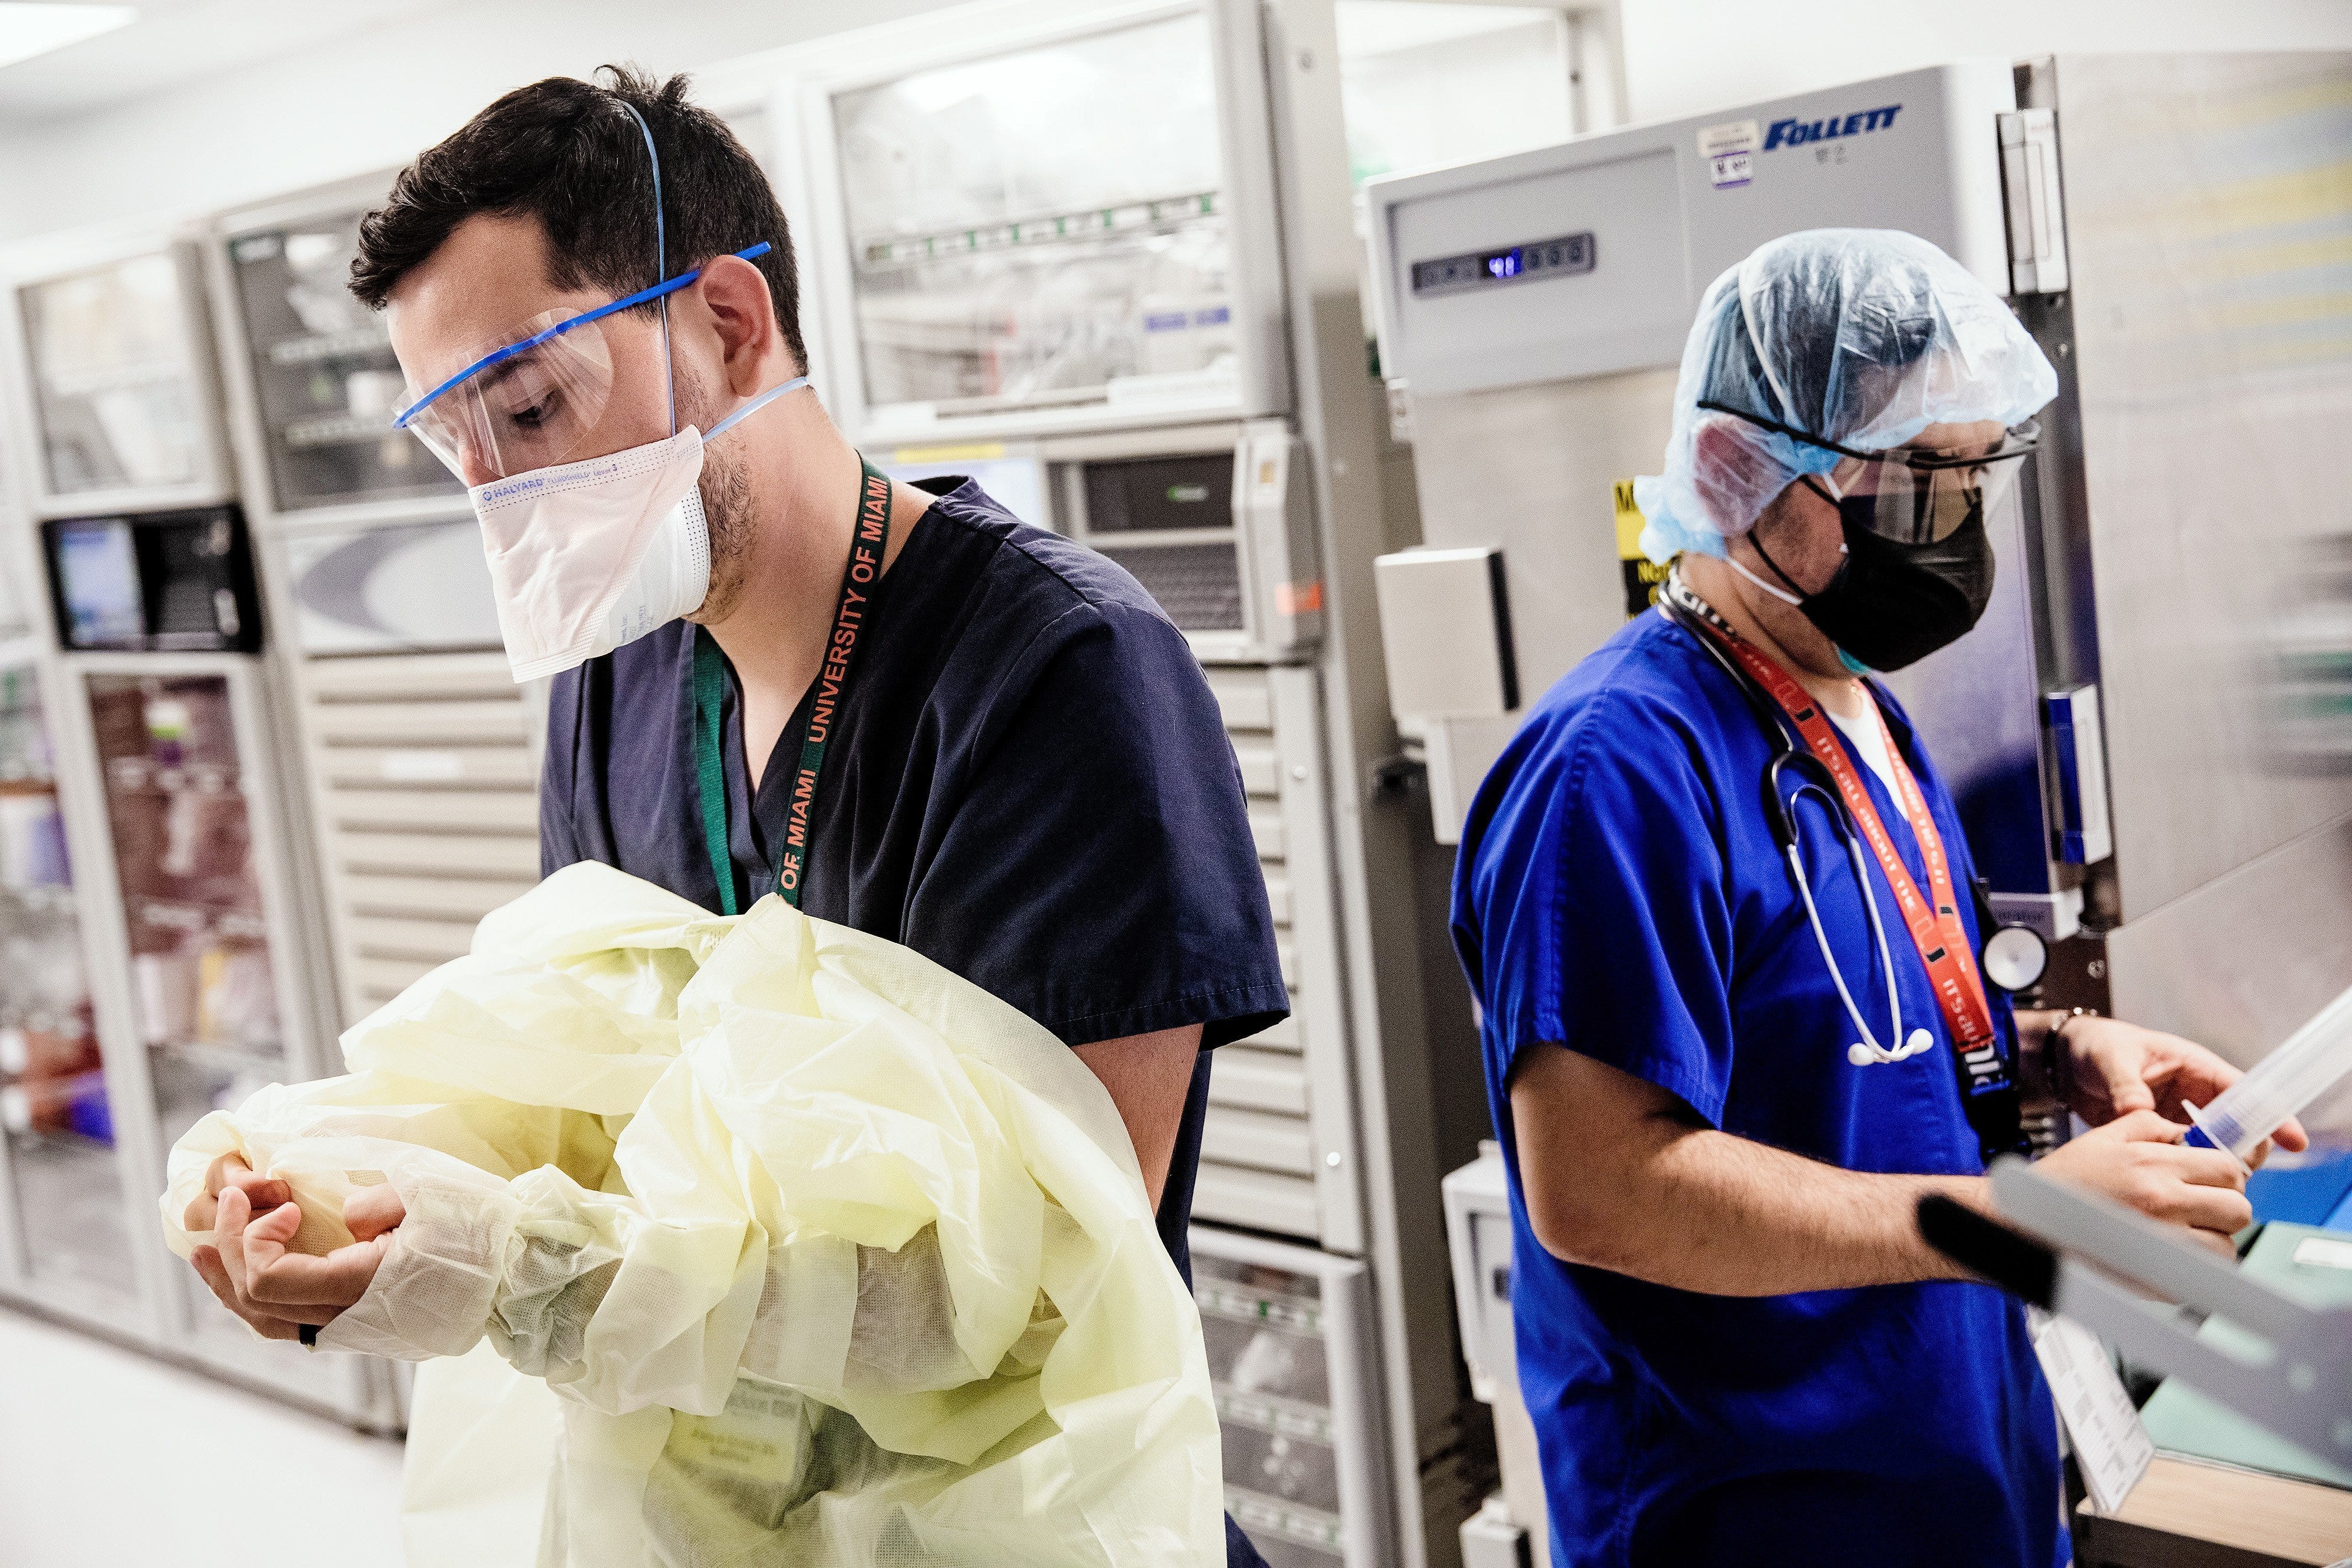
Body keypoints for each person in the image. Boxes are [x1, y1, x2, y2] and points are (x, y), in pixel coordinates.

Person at [176, 66, 1287, 1567]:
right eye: (459, 447)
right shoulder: (618, 675)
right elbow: (574, 1083)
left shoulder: (1056, 675)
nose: (500, 496)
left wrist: (526, 1269)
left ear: (724, 321)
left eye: (527, 407)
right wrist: (346, 1196)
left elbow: (1025, 1283)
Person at [1449, 229, 2308, 1568]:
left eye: (1972, 477)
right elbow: (1597, 1183)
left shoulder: (1853, 707)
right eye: (1912, 489)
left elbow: (1847, 1033)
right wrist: (2011, 1218)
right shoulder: (1613, 769)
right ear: (1741, 473)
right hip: (1752, 1505)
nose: (1956, 532)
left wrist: (2055, 1051)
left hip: (1941, 1467)